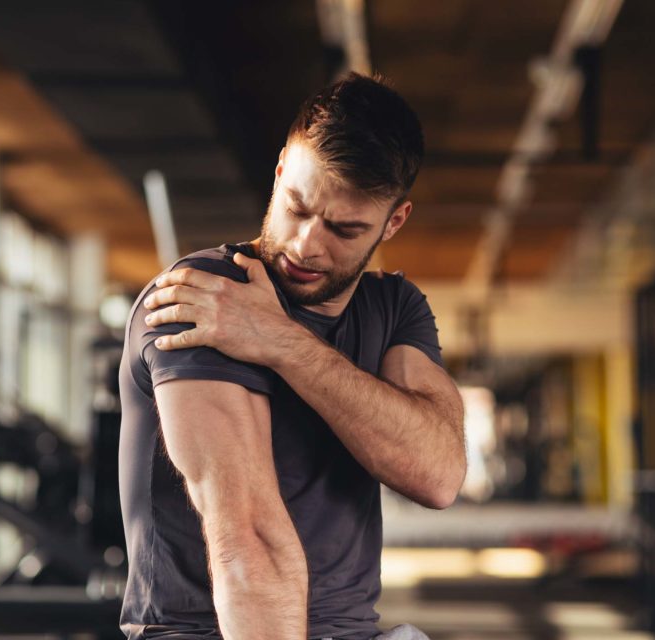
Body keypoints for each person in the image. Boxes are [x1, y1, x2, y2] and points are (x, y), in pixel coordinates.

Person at [118, 72, 466, 640]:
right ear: (280, 171)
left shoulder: (393, 307)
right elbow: (245, 538)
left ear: (393, 222)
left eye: (344, 229)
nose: (307, 243)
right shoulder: (204, 295)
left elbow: (438, 474)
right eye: (297, 206)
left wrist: (281, 342)